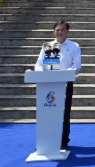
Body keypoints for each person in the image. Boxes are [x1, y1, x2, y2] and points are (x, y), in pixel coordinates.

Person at [34, 20, 82, 150]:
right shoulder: (47, 46)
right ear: (54, 31)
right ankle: (46, 141)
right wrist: (41, 73)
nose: (60, 32)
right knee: (47, 111)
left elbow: (77, 65)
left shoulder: (74, 46)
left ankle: (64, 140)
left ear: (67, 31)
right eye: (57, 29)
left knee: (64, 113)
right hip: (47, 83)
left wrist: (66, 73)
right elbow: (39, 63)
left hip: (65, 83)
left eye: (62, 29)